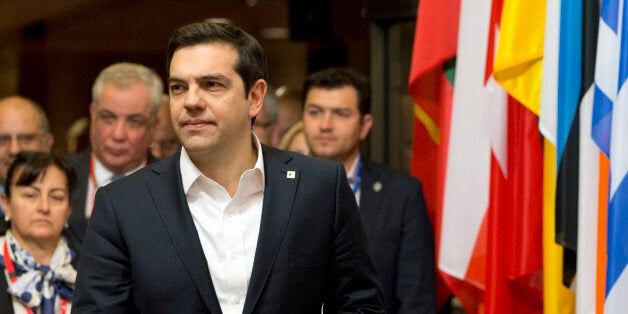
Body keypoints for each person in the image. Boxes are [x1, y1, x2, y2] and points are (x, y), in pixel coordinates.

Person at [73, 21, 386, 313]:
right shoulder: (123, 205)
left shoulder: (318, 187)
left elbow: (360, 305)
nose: (191, 101)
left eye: (211, 84)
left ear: (254, 96)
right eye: (179, 87)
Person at [301, 67, 436, 313]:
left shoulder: (402, 195)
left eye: (340, 114)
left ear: (364, 125)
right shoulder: (275, 184)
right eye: (315, 112)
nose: (325, 125)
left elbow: (417, 299)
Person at [65, 62, 162, 250]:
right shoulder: (60, 176)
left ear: (154, 126)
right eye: (108, 118)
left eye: (134, 122)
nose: (118, 134)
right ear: (93, 114)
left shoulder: (175, 186)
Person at [0, 151, 77, 313]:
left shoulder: (89, 267)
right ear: (6, 204)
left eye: (56, 197)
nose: (44, 207)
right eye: (30, 195)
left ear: (69, 210)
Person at [0, 96, 54, 235]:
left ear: (47, 143)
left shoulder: (66, 199)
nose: (14, 150)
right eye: (3, 140)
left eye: (26, 138)